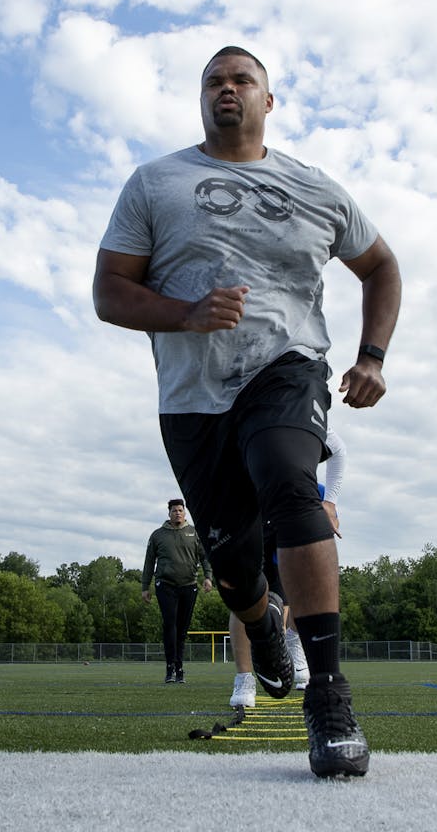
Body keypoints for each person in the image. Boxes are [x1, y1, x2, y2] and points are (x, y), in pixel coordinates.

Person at [94, 46, 400, 778]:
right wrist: (186, 312)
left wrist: (372, 356)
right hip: (193, 398)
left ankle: (327, 695)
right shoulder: (156, 183)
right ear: (202, 99)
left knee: (293, 488)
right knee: (232, 566)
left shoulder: (314, 188)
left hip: (287, 367)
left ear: (268, 100)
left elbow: (382, 265)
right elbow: (109, 292)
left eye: (241, 80)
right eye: (213, 82)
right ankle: (262, 628)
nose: (226, 90)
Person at [229, 428, 347, 708]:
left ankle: (296, 648)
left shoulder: (295, 412)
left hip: (292, 503)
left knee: (297, 591)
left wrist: (330, 502)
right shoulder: (234, 415)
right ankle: (244, 677)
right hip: (249, 507)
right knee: (242, 593)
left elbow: (337, 448)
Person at [141, 498, 213, 684]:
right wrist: (145, 587)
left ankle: (180, 668)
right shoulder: (158, 535)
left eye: (180, 510)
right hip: (165, 585)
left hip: (189, 585)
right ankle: (169, 668)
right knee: (169, 625)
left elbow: (205, 557)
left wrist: (207, 577)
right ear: (169, 513)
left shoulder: (194, 533)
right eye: (174, 510)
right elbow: (149, 562)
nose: (177, 513)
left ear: (185, 512)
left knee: (182, 629)